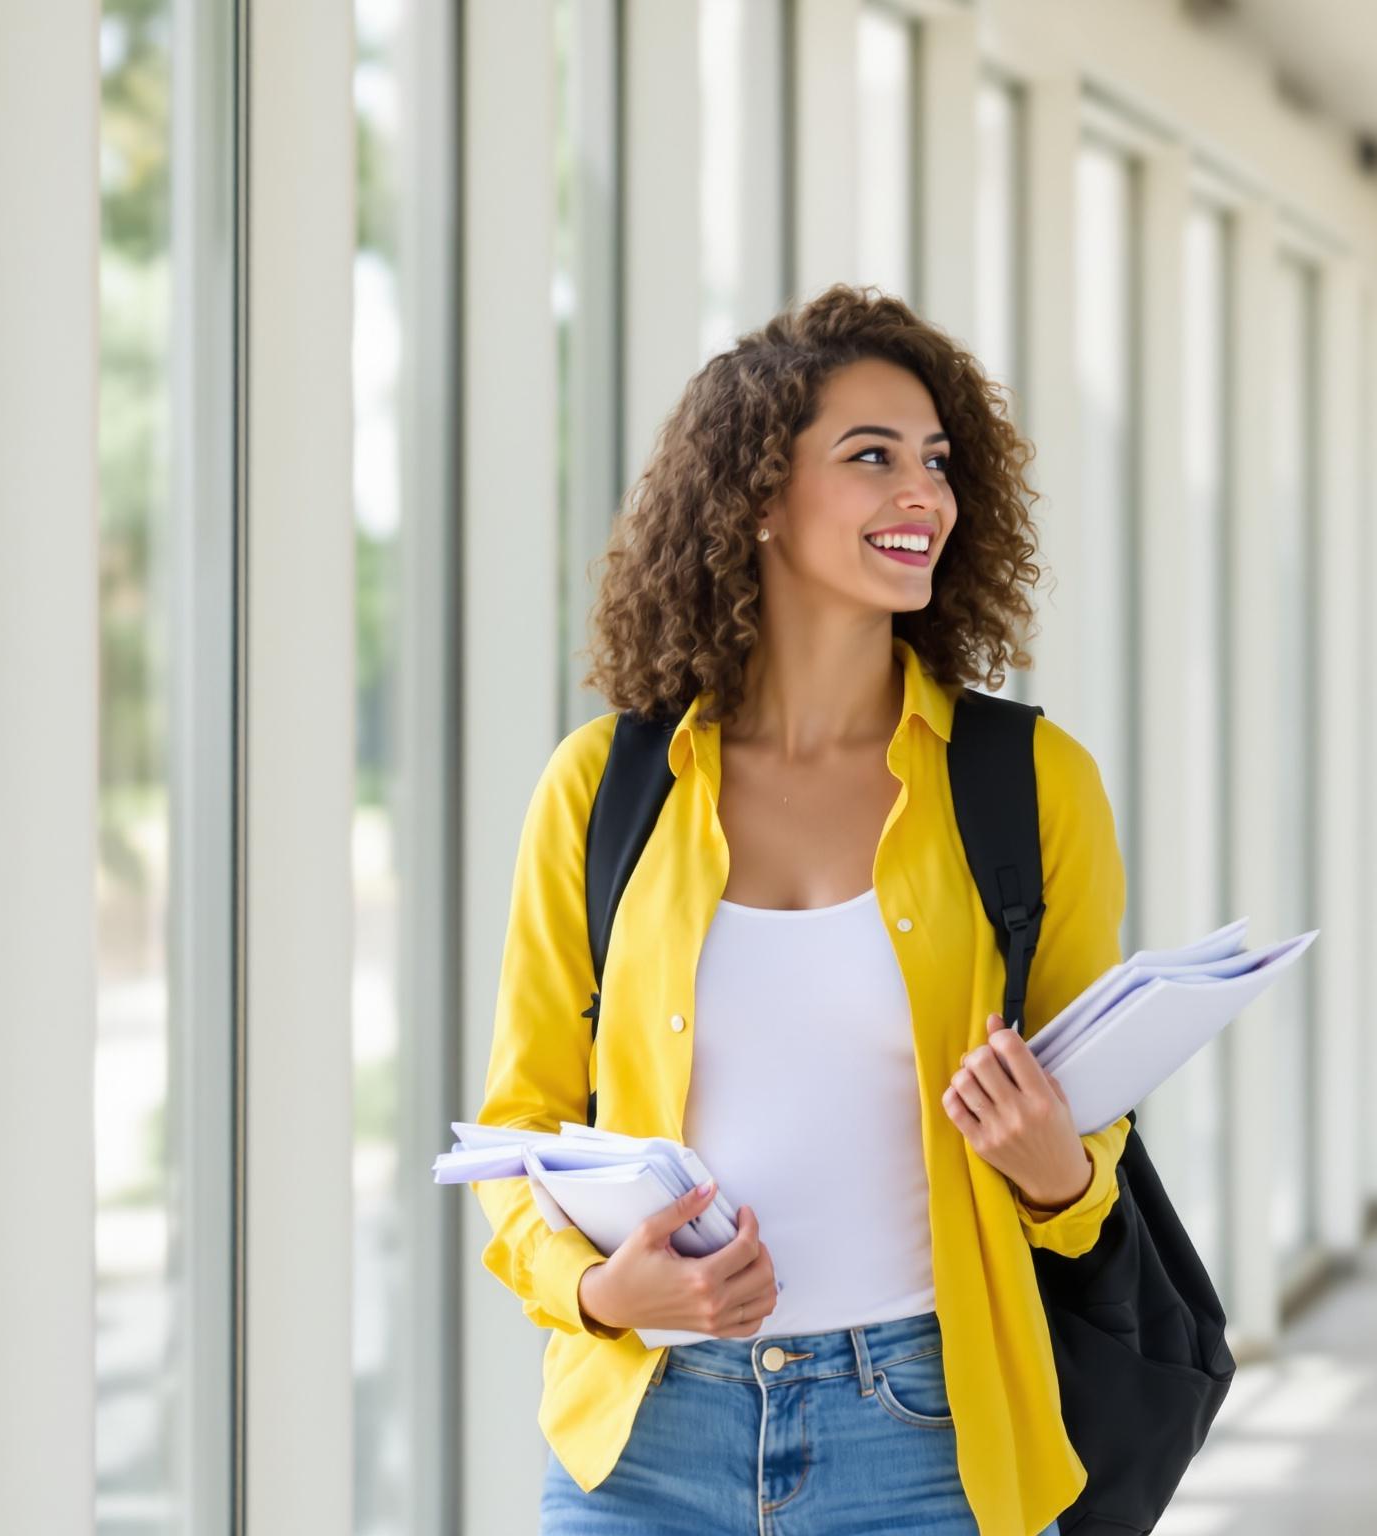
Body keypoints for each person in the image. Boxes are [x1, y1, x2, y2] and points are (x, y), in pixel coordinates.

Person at [474, 284, 1133, 1535]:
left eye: (936, 460)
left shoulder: (1031, 782)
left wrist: (1061, 1181)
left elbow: (1096, 1121)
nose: (922, 493)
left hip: (930, 1439)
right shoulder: (604, 787)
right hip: (646, 1443)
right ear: (758, 499)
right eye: (870, 455)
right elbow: (519, 1126)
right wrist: (606, 1295)